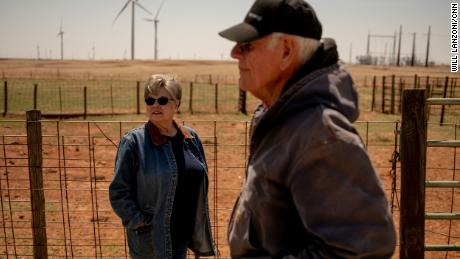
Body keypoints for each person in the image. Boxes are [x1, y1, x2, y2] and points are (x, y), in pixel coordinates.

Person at [219, 0, 396, 258]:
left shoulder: (320, 134)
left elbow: (362, 247)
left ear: (287, 51)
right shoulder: (283, 119)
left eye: (247, 45)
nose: (234, 53)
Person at [109, 74, 216, 259]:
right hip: (152, 239)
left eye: (163, 100)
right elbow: (118, 191)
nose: (155, 105)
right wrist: (139, 222)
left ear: (177, 103)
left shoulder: (190, 138)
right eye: (150, 100)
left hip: (182, 236)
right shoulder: (133, 142)